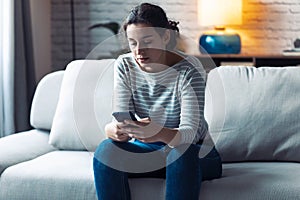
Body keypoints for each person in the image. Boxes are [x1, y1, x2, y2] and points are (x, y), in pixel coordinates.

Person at [93, 3, 222, 200]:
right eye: (133, 43)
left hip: (195, 154)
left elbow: (190, 134)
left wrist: (158, 132)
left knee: (181, 153)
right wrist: (113, 130)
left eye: (147, 41)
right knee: (105, 150)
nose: (139, 51)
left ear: (165, 36)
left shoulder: (189, 69)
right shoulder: (125, 65)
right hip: (149, 152)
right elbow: (120, 119)